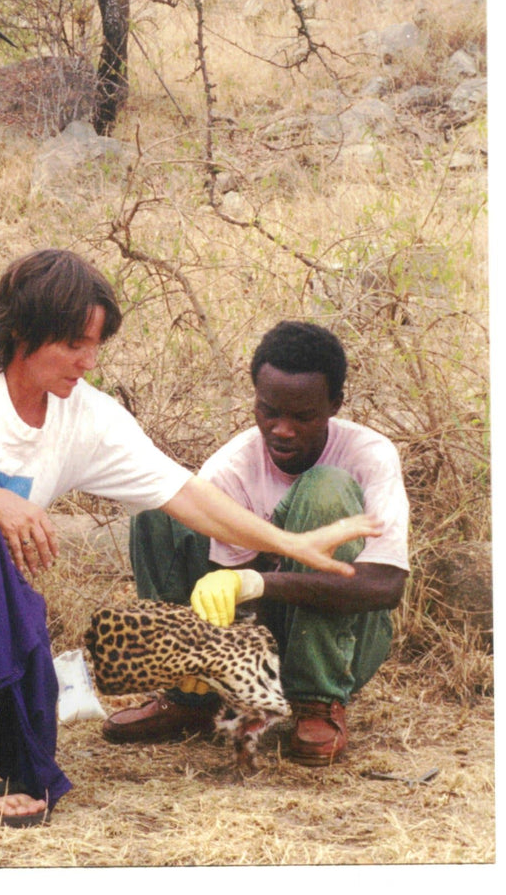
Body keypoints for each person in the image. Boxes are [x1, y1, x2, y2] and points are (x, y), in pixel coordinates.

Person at [0, 254, 380, 826]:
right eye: (74, 344)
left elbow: (185, 495)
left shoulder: (86, 416)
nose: (89, 362)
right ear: (22, 333)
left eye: (96, 345)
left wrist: (291, 542)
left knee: (29, 751)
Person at [102, 320, 409, 765]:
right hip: (254, 640)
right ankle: (190, 698)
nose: (282, 429)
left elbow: (385, 587)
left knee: (325, 487)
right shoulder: (234, 465)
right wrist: (203, 655)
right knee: (159, 506)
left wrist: (257, 582)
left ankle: (318, 702)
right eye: (269, 411)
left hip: (343, 644)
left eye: (302, 417)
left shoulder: (369, 455)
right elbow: (224, 597)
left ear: (334, 405)